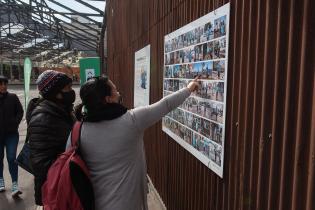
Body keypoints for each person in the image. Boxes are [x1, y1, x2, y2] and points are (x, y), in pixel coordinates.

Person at [72, 75, 199, 210]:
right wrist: (188, 89)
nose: (119, 92)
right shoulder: (132, 121)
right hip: (128, 203)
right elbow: (165, 105)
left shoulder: (77, 131)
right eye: (115, 90)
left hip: (92, 203)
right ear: (108, 99)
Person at [27, 70, 76, 206]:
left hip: (63, 186)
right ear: (57, 93)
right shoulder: (43, 118)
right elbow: (41, 163)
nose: (72, 91)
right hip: (55, 191)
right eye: (68, 88)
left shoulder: (61, 110)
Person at [0, 75, 24, 197]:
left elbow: (20, 111)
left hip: (11, 135)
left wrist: (15, 122)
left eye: (5, 84)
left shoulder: (13, 97)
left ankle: (15, 184)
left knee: (11, 158)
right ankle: (1, 180)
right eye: (1, 84)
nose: (3, 86)